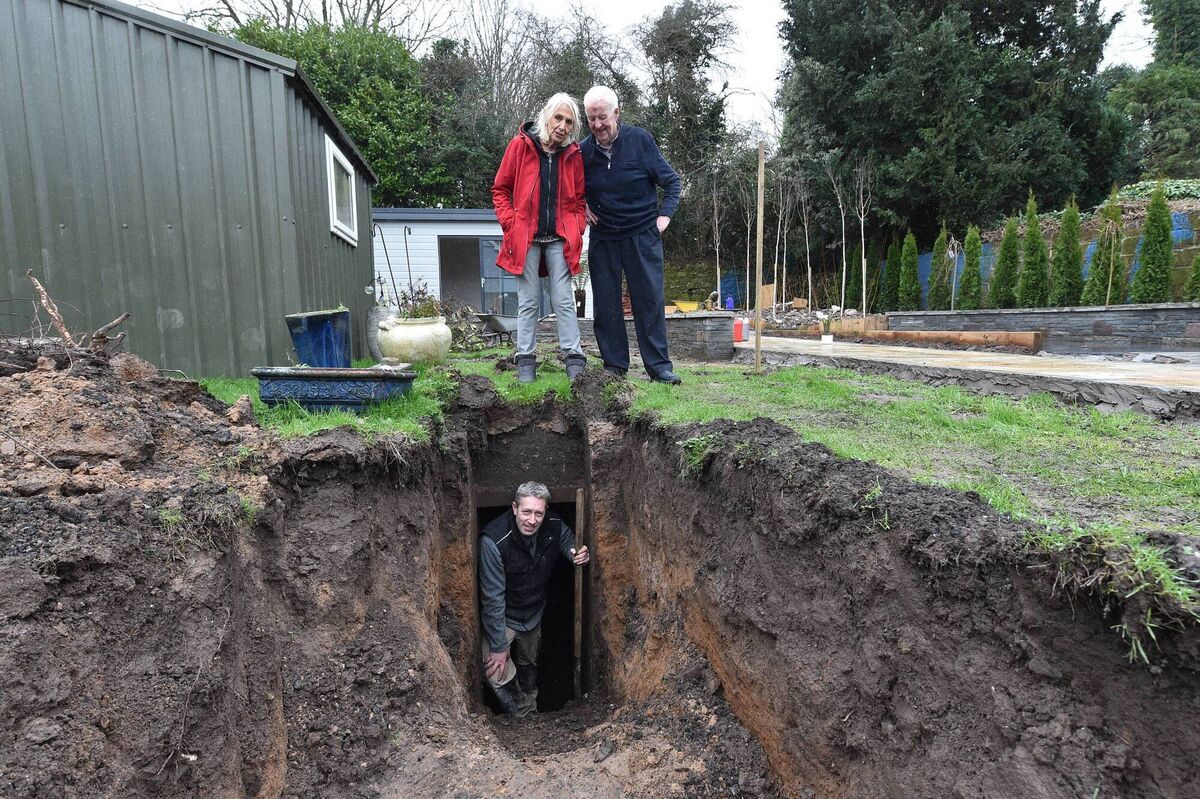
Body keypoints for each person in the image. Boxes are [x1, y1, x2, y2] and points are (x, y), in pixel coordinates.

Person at [580, 85, 683, 384]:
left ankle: (659, 368)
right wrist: (581, 204)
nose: (597, 125)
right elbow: (569, 188)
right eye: (591, 119)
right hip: (604, 237)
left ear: (616, 113)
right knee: (606, 305)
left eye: (602, 117)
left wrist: (663, 217)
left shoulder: (640, 141)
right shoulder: (583, 152)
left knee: (648, 300)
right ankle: (614, 367)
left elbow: (672, 182)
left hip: (642, 234)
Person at [492, 93, 589, 384]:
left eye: (569, 122)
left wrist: (577, 225)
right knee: (528, 300)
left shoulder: (573, 156)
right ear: (546, 115)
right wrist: (511, 224)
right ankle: (525, 362)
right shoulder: (520, 146)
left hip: (559, 237)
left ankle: (574, 360)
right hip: (527, 237)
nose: (562, 126)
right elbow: (500, 190)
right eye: (558, 118)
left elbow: (580, 199)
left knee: (563, 300)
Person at [479, 481, 590, 716]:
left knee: (529, 665)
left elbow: (568, 541)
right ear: (514, 508)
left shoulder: (553, 525)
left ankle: (531, 706)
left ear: (545, 512)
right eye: (526, 511)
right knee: (495, 671)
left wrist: (577, 554)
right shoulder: (494, 541)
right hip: (503, 615)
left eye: (538, 513)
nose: (532, 520)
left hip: (533, 613)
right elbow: (492, 598)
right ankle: (522, 714)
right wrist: (499, 647)